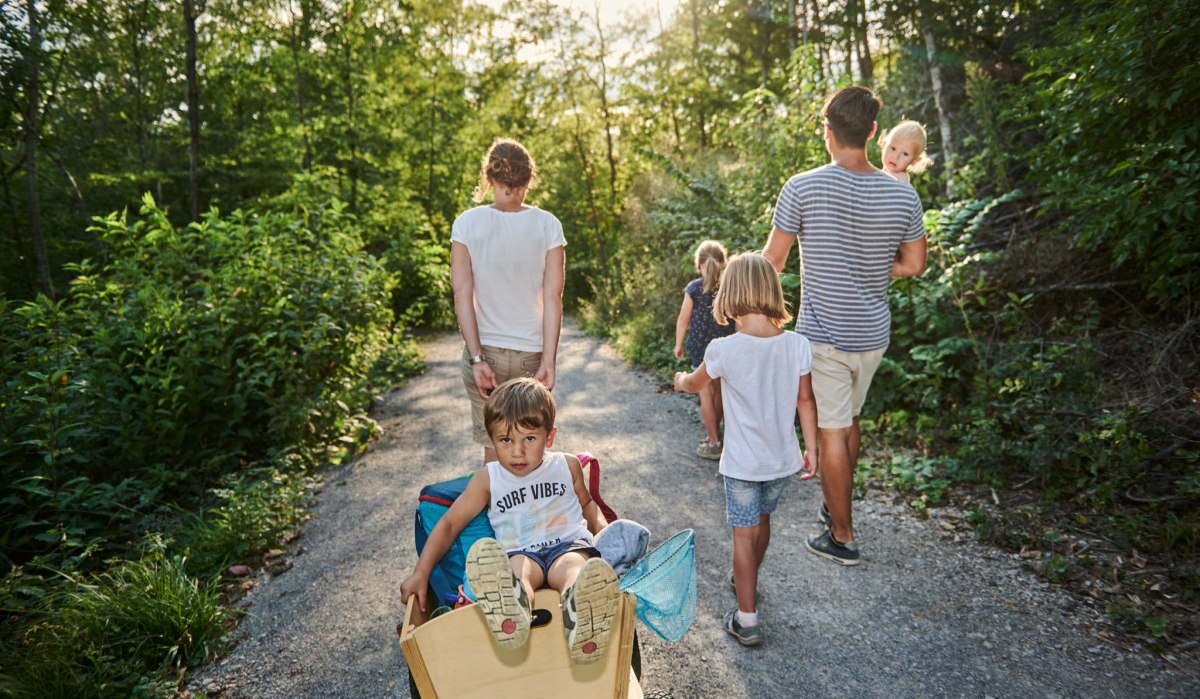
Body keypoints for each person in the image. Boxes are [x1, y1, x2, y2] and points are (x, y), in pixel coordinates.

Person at [762, 86, 927, 567]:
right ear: (873, 132)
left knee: (833, 432)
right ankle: (836, 506)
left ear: (827, 132)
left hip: (826, 335)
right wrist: (874, 269)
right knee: (848, 420)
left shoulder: (803, 186)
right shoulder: (901, 194)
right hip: (873, 335)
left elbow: (772, 260)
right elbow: (915, 265)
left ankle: (842, 535)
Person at [398, 377, 621, 665]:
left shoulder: (566, 465)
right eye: (505, 440)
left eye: (529, 438)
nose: (517, 451)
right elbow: (450, 524)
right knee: (515, 575)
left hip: (567, 545)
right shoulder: (488, 479)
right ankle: (512, 616)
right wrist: (421, 572)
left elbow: (587, 504)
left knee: (574, 571)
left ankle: (583, 615)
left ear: (549, 437)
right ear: (492, 440)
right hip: (520, 552)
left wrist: (603, 530)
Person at [672, 252, 818, 647]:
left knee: (742, 534)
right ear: (772, 292)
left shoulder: (724, 350)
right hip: (780, 461)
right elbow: (806, 401)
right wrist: (813, 448)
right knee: (763, 521)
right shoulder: (797, 344)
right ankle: (747, 576)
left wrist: (680, 378)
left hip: (741, 465)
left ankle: (747, 618)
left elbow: (695, 383)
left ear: (729, 295)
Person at [451, 138, 566, 465]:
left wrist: (477, 360)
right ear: (529, 178)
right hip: (531, 355)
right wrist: (549, 359)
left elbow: (462, 294)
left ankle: (497, 513)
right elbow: (552, 297)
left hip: (485, 351)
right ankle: (529, 515)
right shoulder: (548, 225)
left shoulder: (467, 224)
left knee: (495, 448)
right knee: (529, 448)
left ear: (488, 178)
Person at [673, 240, 736, 460]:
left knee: (706, 393)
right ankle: (720, 437)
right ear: (723, 262)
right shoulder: (730, 286)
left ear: (699, 264)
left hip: (701, 346)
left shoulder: (693, 288)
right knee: (719, 392)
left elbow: (683, 319)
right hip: (727, 343)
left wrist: (679, 343)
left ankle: (713, 441)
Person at [878, 120, 934, 185]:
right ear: (884, 145)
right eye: (893, 148)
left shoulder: (897, 182)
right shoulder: (881, 176)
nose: (896, 157)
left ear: (915, 160)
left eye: (905, 154)